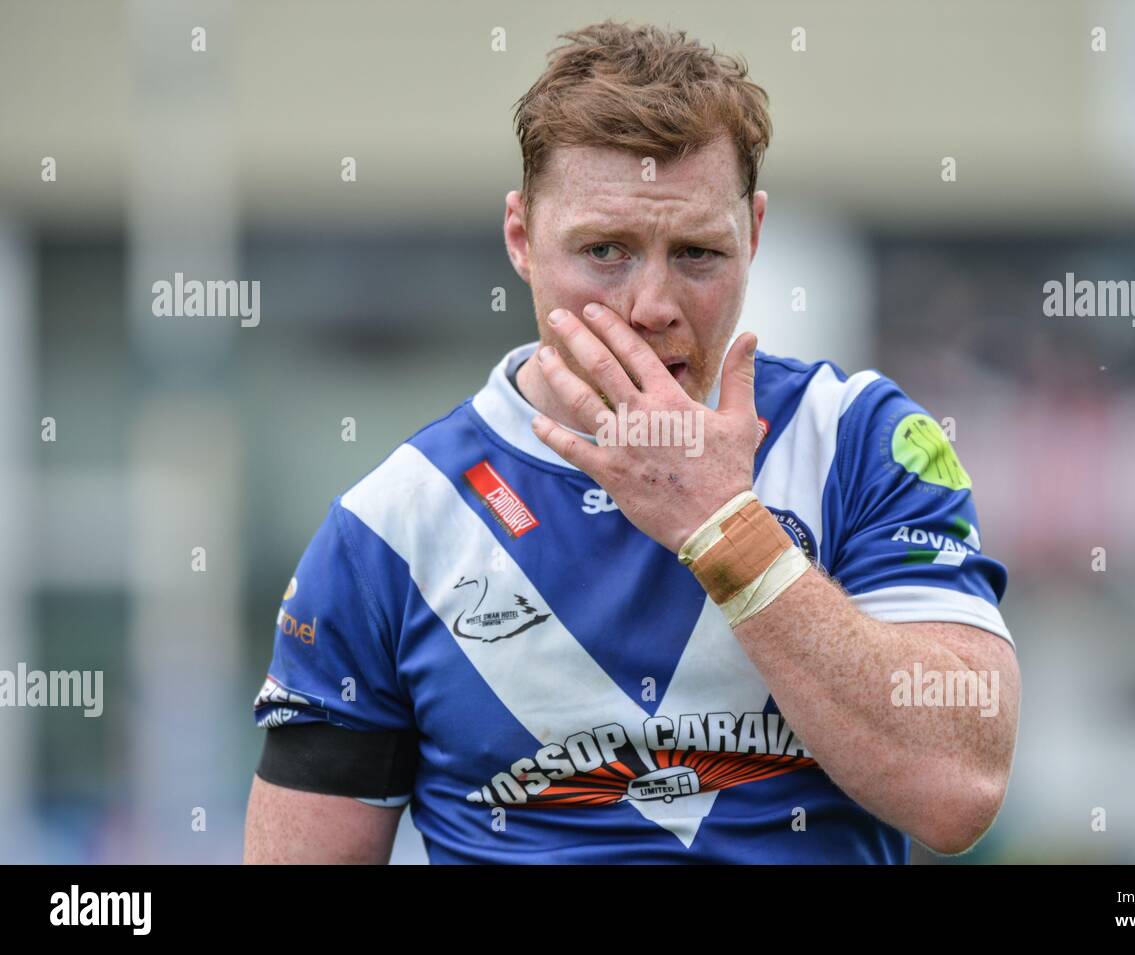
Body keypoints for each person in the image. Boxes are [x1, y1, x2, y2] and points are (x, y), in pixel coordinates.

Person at [243, 19, 1019, 864]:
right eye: (604, 250)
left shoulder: (862, 443)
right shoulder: (392, 526)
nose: (652, 303)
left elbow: (958, 789)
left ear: (754, 234)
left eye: (696, 252)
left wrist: (726, 528)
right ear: (520, 238)